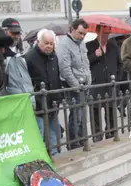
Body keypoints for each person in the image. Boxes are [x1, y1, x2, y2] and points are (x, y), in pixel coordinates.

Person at [25, 29, 62, 156]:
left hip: (53, 101)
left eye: (51, 43)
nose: (49, 46)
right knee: (39, 132)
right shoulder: (29, 57)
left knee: (53, 130)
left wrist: (59, 96)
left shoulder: (53, 56)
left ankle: (54, 153)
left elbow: (56, 77)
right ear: (38, 42)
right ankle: (39, 156)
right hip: (39, 102)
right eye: (46, 43)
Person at [58, 19, 90, 149]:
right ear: (72, 29)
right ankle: (73, 143)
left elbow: (85, 62)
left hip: (84, 83)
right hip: (72, 85)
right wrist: (76, 85)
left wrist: (89, 79)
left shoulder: (82, 44)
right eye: (80, 33)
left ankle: (82, 139)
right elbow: (65, 68)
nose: (82, 36)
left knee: (82, 115)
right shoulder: (64, 44)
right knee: (75, 115)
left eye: (84, 34)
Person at [86, 25, 122, 140]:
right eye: (104, 33)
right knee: (95, 111)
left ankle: (110, 132)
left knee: (111, 110)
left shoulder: (113, 46)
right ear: (97, 32)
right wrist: (94, 56)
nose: (105, 36)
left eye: (108, 33)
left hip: (111, 84)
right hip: (96, 84)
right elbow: (85, 63)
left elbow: (120, 64)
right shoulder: (89, 45)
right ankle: (97, 136)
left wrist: (117, 78)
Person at [1, 18, 34, 107]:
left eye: (18, 33)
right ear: (4, 32)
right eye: (13, 33)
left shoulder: (23, 52)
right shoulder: (0, 54)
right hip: (11, 102)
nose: (16, 36)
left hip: (28, 100)